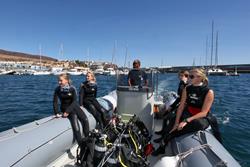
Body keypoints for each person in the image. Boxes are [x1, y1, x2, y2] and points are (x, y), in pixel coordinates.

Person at [152, 68, 216, 156]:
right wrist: (176, 122)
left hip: (199, 118)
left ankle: (161, 148)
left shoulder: (208, 92)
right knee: (171, 124)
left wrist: (185, 121)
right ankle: (162, 144)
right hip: (187, 113)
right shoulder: (187, 88)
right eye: (189, 75)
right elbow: (181, 106)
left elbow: (204, 112)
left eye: (191, 76)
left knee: (173, 133)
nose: (188, 78)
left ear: (200, 78)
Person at [53, 73, 89, 145]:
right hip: (65, 108)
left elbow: (75, 101)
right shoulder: (57, 89)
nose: (59, 82)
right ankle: (81, 145)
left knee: (85, 119)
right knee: (76, 126)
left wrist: (68, 111)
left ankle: (87, 138)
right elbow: (55, 102)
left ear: (66, 80)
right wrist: (57, 112)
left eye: (61, 80)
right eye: (58, 80)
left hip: (74, 106)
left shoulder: (72, 89)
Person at [154, 70, 189, 137]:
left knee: (170, 118)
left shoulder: (188, 85)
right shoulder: (181, 84)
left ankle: (165, 136)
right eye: (179, 75)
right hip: (179, 104)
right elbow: (179, 97)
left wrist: (185, 84)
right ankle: (162, 132)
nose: (180, 77)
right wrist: (171, 106)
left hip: (184, 106)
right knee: (165, 115)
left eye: (182, 76)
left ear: (186, 76)